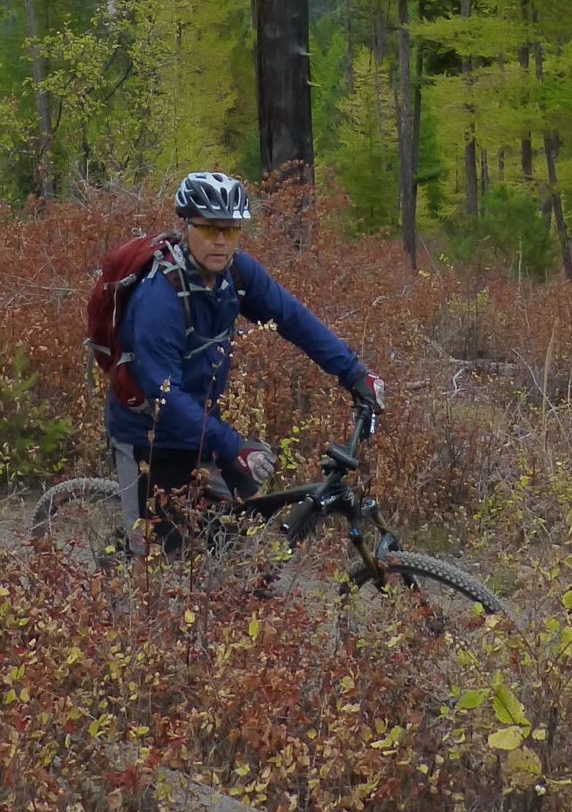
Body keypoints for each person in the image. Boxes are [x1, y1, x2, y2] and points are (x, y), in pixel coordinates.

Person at [105, 170, 384, 552]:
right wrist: (231, 444)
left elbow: (292, 318)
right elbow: (163, 395)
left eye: (231, 231)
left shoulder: (235, 272)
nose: (221, 241)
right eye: (209, 230)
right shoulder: (159, 300)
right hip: (147, 438)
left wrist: (354, 373)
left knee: (238, 533)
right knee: (157, 567)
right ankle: (125, 588)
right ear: (186, 227)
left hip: (202, 424)